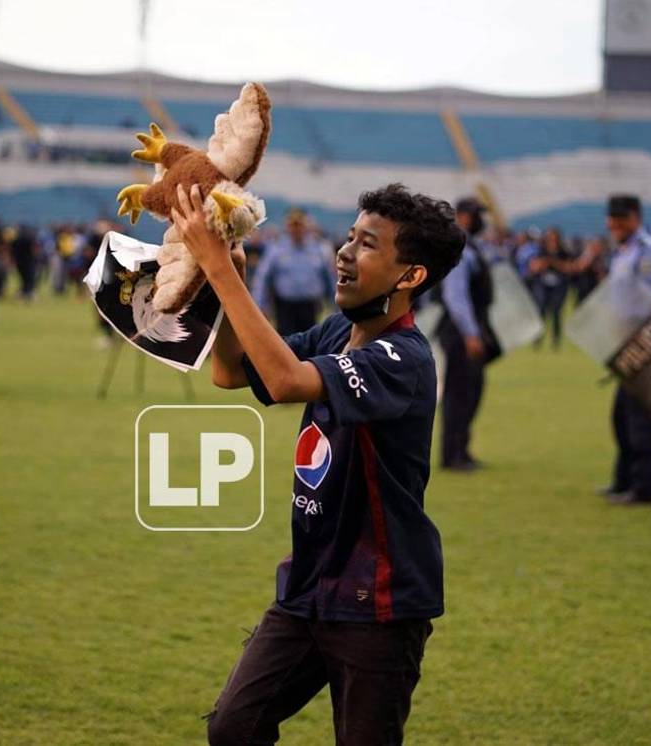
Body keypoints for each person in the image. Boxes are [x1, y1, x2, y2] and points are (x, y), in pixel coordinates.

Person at [173, 182, 463, 746]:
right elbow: (230, 372)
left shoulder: (403, 358)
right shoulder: (337, 331)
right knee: (234, 728)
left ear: (410, 276)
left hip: (378, 602)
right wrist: (230, 277)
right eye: (349, 237)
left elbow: (285, 382)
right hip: (309, 584)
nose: (344, 252)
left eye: (368, 244)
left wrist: (220, 270)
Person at [598, 195, 651, 506]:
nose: (614, 225)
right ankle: (624, 480)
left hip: (644, 343)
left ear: (635, 218)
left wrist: (643, 345)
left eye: (620, 219)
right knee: (622, 418)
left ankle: (644, 488)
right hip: (625, 343)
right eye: (611, 219)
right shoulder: (623, 251)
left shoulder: (647, 251)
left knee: (642, 421)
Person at [438, 197, 498, 472]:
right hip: (460, 331)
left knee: (470, 392)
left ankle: (461, 449)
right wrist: (471, 334)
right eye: (476, 215)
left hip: (467, 329)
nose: (480, 220)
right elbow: (456, 296)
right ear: (462, 216)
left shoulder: (471, 246)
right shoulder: (459, 251)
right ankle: (453, 454)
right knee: (459, 394)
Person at [250, 208, 336, 335]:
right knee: (286, 343)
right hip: (285, 309)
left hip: (310, 308)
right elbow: (262, 279)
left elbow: (330, 280)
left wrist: (337, 306)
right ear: (287, 226)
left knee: (311, 342)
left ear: (307, 226)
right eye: (292, 224)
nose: (296, 229)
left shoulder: (319, 249)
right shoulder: (276, 250)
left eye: (300, 224)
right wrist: (259, 306)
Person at [524, 227, 570, 349]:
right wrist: (542, 264)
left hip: (559, 285)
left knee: (556, 312)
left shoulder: (563, 252)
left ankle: (556, 340)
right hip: (543, 285)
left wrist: (553, 263)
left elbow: (569, 267)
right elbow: (533, 266)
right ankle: (538, 339)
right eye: (550, 237)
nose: (552, 240)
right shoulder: (541, 251)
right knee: (541, 311)